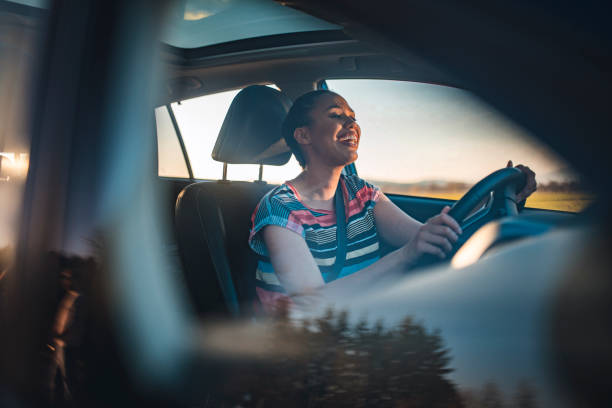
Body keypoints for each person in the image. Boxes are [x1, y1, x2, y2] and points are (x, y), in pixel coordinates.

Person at [248, 90, 536, 315]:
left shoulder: (362, 194)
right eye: (336, 115)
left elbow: (427, 238)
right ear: (303, 135)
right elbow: (311, 305)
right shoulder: (279, 208)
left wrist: (495, 199)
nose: (352, 124)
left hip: (363, 324)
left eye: (353, 117)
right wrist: (405, 254)